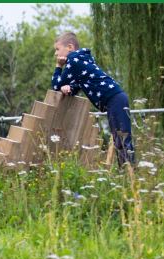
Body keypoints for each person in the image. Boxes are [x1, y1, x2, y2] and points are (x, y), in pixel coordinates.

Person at [51, 32, 135, 166]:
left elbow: (56, 85)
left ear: (70, 47)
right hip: (116, 98)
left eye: (57, 49)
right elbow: (80, 83)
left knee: (122, 138)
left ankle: (129, 173)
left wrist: (58, 67)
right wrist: (70, 88)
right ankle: (125, 172)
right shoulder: (82, 59)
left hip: (114, 99)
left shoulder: (73, 60)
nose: (56, 54)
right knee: (119, 138)